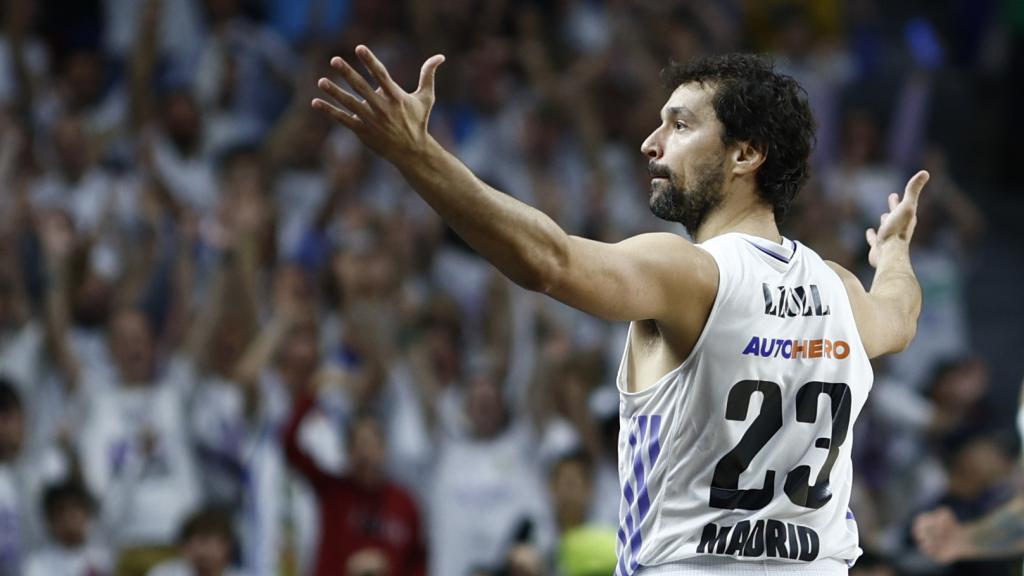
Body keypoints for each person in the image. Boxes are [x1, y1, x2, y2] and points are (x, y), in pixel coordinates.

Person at [311, 47, 928, 574]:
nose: (650, 143)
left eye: (680, 126)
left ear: (746, 155)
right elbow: (899, 318)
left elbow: (547, 260)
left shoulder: (693, 272)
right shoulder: (840, 289)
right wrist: (895, 252)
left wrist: (417, 154)